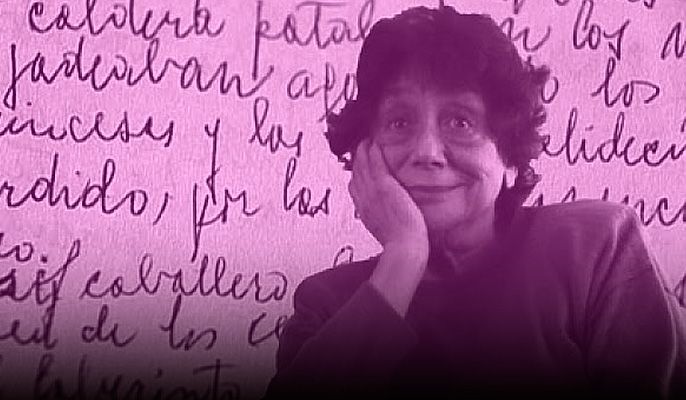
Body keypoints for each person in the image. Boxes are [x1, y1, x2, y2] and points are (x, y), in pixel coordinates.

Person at [263, 5, 684, 399]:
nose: (427, 152)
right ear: (363, 153)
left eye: (460, 121)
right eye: (399, 121)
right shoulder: (326, 305)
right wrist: (405, 257)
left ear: (510, 152)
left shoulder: (596, 250)